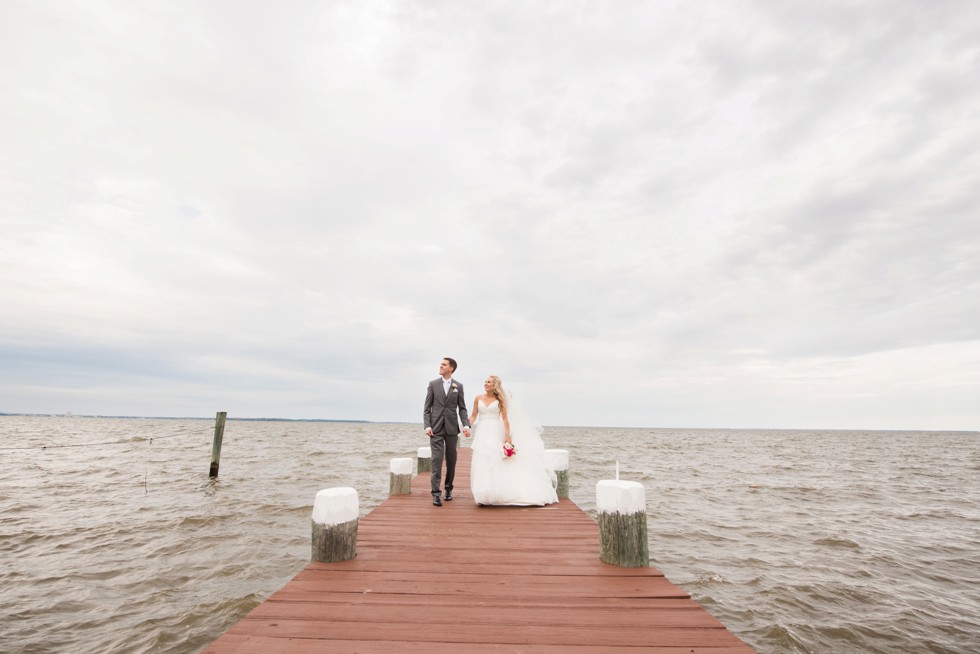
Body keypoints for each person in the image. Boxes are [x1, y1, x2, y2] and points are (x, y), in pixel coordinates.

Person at [469, 375, 557, 507]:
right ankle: (485, 492)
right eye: (485, 382)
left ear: (495, 385)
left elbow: (505, 419)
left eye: (489, 382)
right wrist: (467, 427)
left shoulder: (500, 400)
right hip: (482, 430)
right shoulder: (478, 398)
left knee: (495, 459)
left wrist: (507, 436)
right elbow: (474, 415)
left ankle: (498, 491)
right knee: (483, 458)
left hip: (495, 430)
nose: (485, 384)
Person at [423, 357, 471, 506]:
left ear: (451, 368)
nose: (441, 366)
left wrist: (466, 425)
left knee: (451, 461)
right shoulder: (433, 384)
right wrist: (427, 426)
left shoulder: (458, 386)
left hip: (451, 428)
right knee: (436, 460)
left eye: (443, 365)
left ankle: (448, 489)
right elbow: (427, 408)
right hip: (435, 429)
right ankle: (436, 493)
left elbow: (462, 408)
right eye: (441, 364)